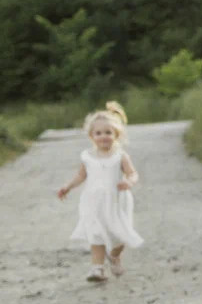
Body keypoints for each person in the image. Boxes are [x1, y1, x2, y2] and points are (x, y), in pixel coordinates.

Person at [57, 101, 143, 282]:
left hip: (117, 202)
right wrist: (68, 186)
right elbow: (81, 175)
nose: (103, 136)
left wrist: (128, 181)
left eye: (108, 132)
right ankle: (97, 269)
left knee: (120, 235)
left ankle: (114, 255)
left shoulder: (120, 156)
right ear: (91, 136)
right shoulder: (87, 157)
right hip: (94, 202)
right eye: (98, 133)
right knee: (96, 233)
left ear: (116, 134)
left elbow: (133, 173)